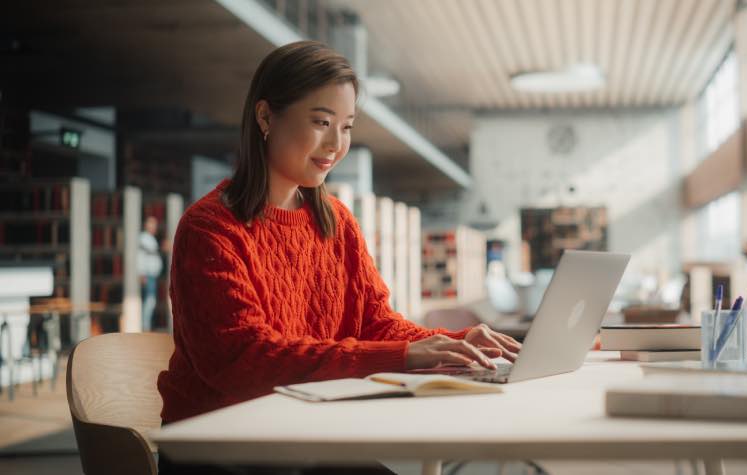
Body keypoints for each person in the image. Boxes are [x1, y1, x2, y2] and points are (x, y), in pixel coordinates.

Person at [156, 41, 520, 474]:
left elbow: (375, 322)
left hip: (305, 431)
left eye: (346, 126)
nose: (336, 143)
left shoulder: (335, 221)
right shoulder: (210, 227)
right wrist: (406, 355)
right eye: (321, 122)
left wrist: (452, 344)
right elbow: (242, 359)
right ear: (266, 117)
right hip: (222, 446)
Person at [138, 215, 163, 331]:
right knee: (149, 301)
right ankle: (145, 326)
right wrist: (141, 273)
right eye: (151, 224)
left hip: (152, 275)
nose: (153, 227)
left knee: (150, 301)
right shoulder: (143, 238)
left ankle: (146, 325)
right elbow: (140, 257)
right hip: (147, 275)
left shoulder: (151, 238)